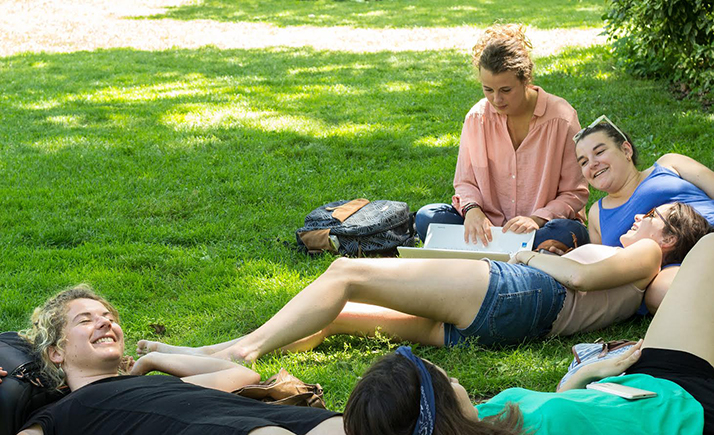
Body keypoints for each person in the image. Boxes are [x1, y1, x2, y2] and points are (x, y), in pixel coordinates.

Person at [138, 203, 711, 364]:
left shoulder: (643, 259)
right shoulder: (655, 283)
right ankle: (207, 355)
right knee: (342, 314)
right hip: (511, 324)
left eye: (654, 218)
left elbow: (580, 275)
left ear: (669, 239)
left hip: (520, 291)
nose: (640, 219)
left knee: (347, 271)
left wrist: (534, 259)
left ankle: (239, 349)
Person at [344, 233, 714, 435]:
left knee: (706, 252)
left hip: (640, 386)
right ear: (439, 413)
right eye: (447, 380)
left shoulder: (476, 419)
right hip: (689, 408)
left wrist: (585, 375)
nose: (455, 378)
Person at [11, 285, 343, 435]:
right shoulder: (58, 415)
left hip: (266, 416)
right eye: (84, 321)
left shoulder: (158, 386)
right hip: (234, 430)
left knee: (344, 426)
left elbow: (239, 376)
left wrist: (154, 360)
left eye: (107, 317)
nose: (104, 322)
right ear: (56, 352)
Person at [415, 24, 589, 251]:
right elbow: (465, 182)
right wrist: (472, 211)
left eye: (506, 90)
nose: (496, 99)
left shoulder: (562, 118)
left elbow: (574, 192)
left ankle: (489, 252)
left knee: (571, 232)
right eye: (488, 90)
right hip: (488, 228)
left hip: (541, 227)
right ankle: (521, 253)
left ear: (525, 80)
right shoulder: (477, 118)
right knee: (427, 216)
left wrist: (536, 219)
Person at [574, 114, 714, 312]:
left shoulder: (669, 164)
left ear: (626, 150)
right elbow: (600, 266)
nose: (592, 163)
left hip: (709, 236)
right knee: (660, 291)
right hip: (667, 271)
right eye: (583, 162)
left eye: (599, 152)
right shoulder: (597, 213)